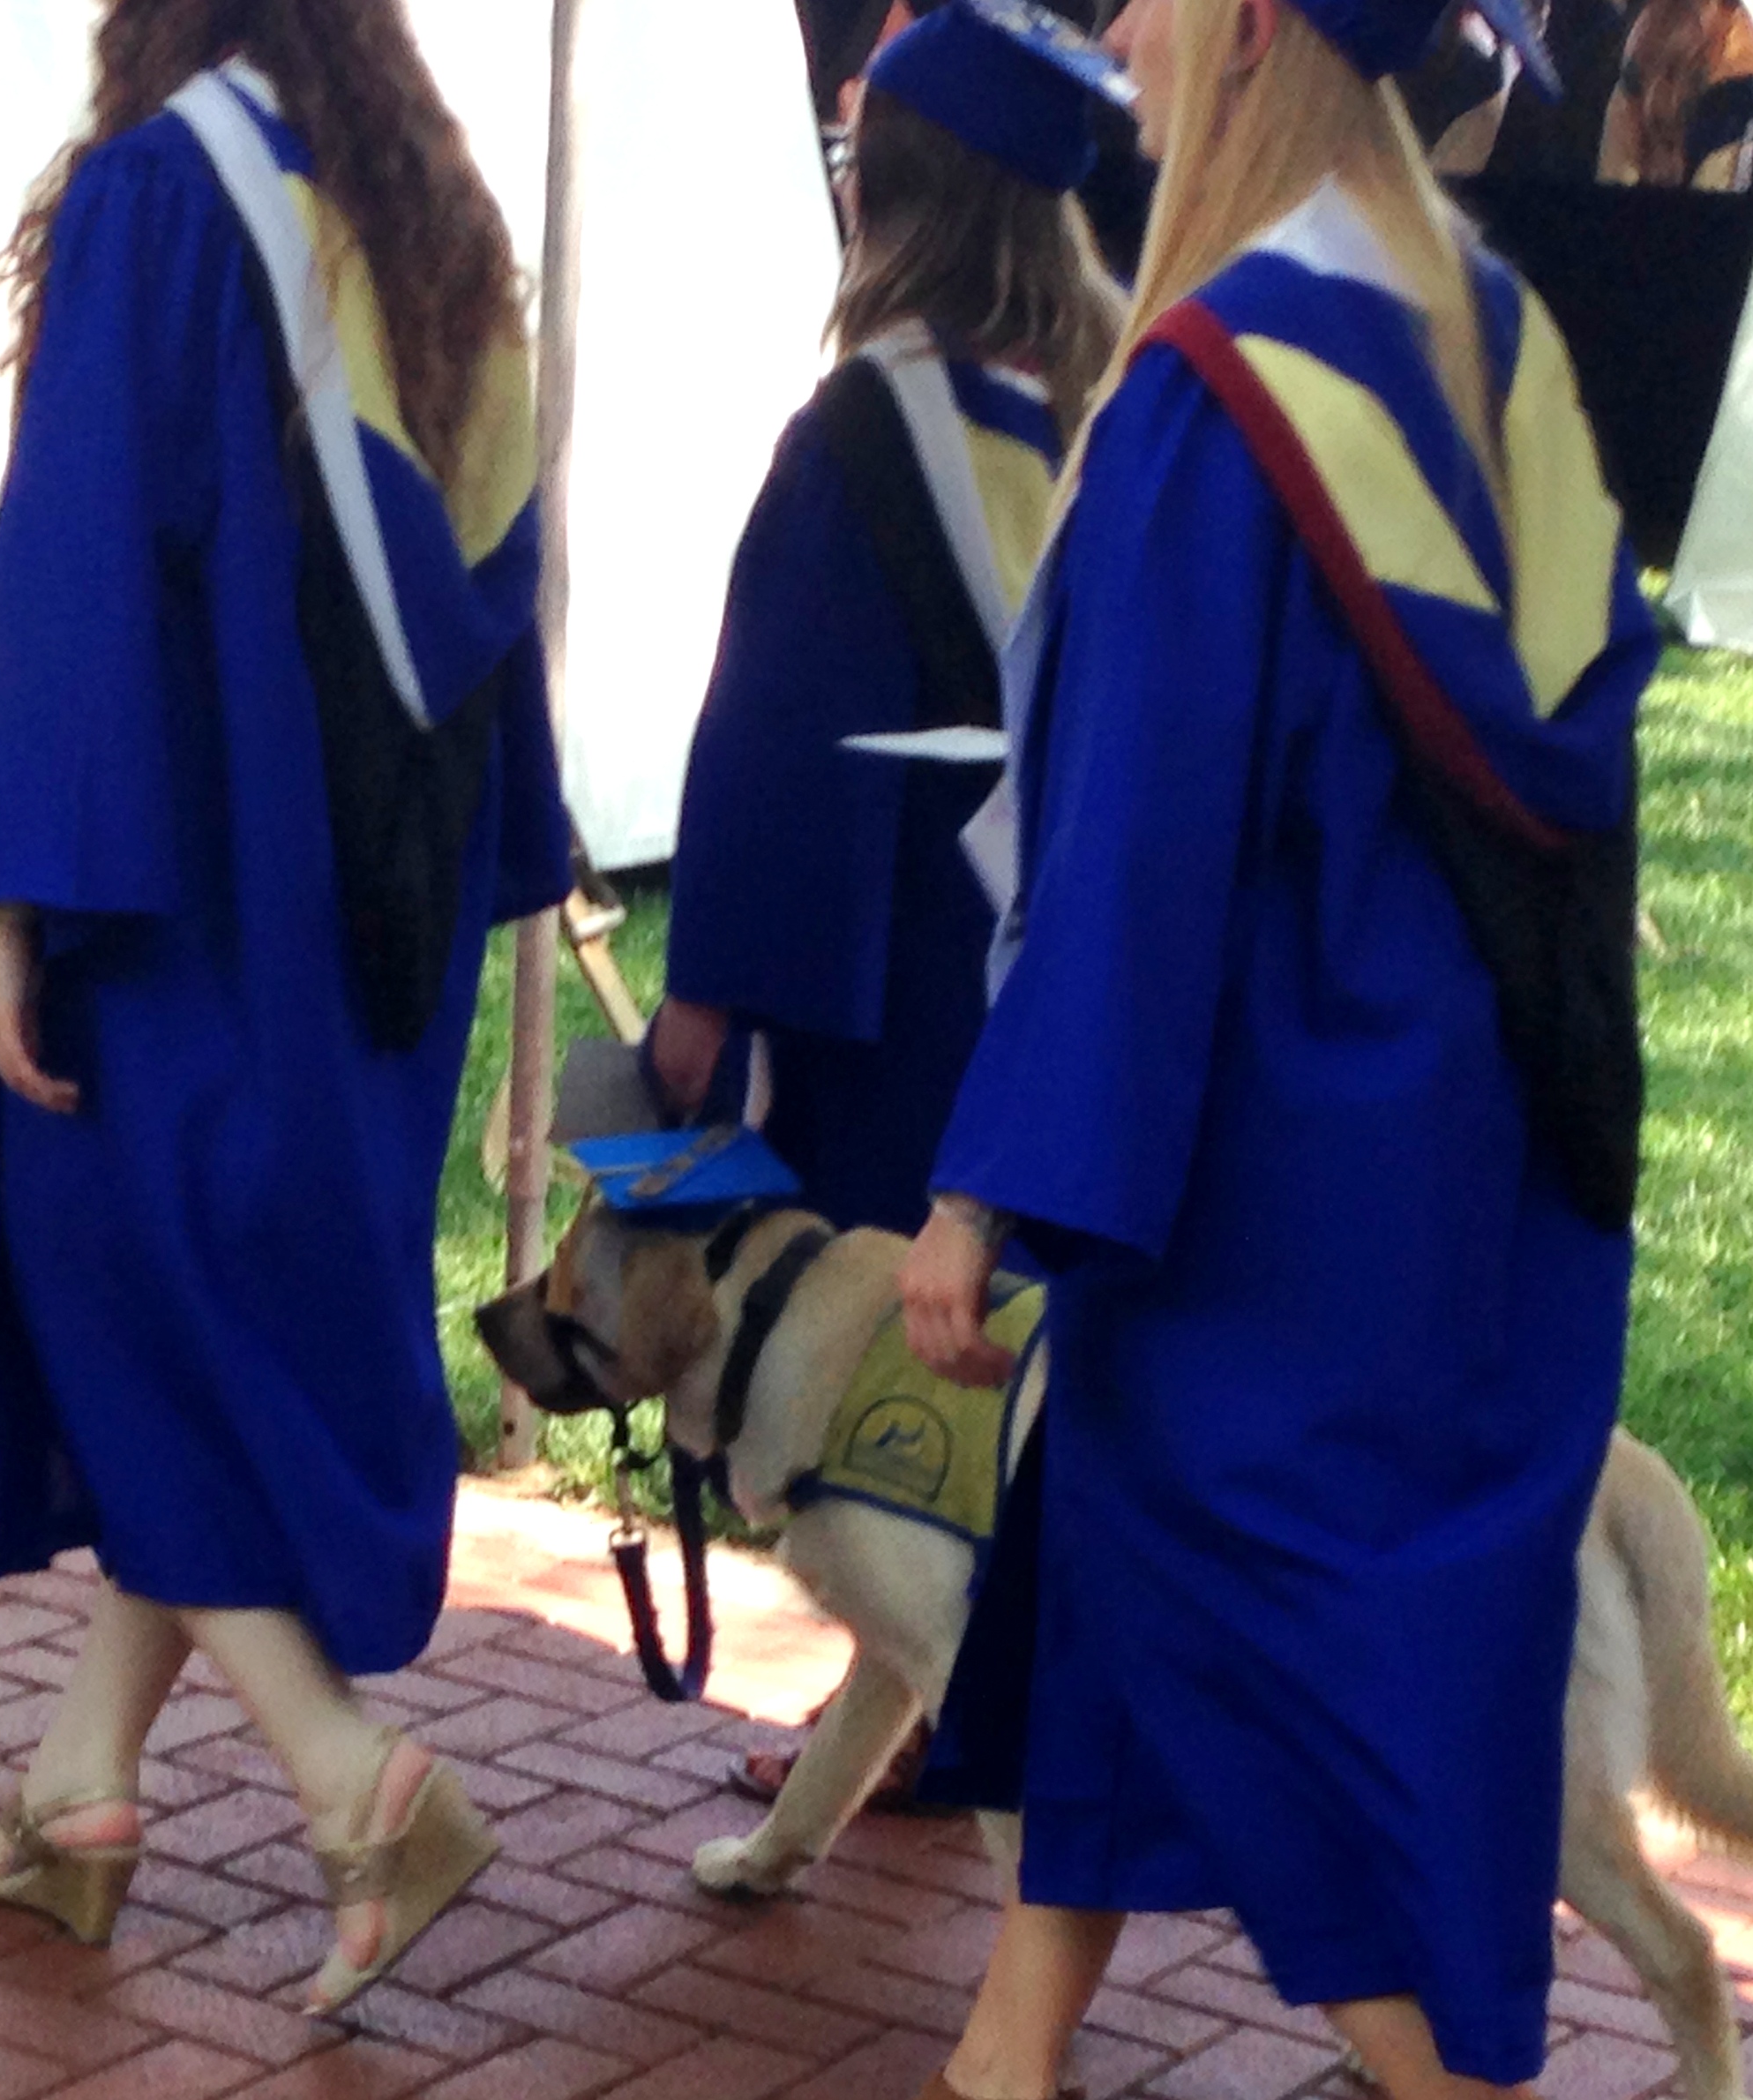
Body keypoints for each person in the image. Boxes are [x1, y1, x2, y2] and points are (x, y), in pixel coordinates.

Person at [896, 0, 1659, 2093]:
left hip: (1263, 1167)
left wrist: (985, 1185)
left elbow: (1136, 849)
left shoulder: (1218, 388)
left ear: (1244, 27)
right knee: (1106, 1563)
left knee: (1237, 1608)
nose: (1120, 31)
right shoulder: (1484, 332)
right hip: (1461, 1140)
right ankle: (1002, 2051)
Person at [0, 0, 568, 2014]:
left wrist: (10, 891)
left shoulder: (158, 196)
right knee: (199, 1338)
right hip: (372, 912)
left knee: (116, 1292)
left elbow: (80, 558)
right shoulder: (425, 214)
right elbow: (501, 574)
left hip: (181, 894)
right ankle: (79, 1791)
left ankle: (353, 1781)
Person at [649, 0, 1124, 1811]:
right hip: (1063, 964)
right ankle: (941, 1686)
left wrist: (712, 993)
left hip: (900, 969)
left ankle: (937, 1688)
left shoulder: (860, 430)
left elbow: (785, 735)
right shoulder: (1101, 417)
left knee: (883, 1352)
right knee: (1007, 1347)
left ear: (893, 200)